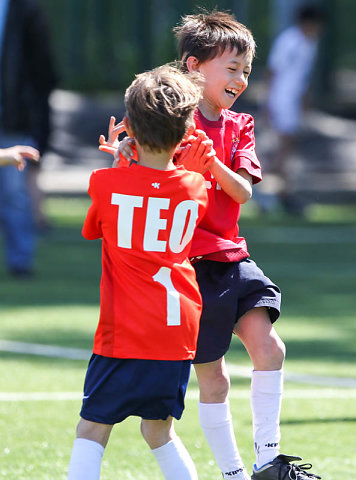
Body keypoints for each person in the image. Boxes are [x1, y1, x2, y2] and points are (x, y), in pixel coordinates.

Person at [107, 10, 322, 480]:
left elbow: (243, 191)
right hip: (186, 270)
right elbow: (140, 184)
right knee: (214, 377)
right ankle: (234, 474)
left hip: (232, 257)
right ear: (193, 67)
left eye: (246, 70)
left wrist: (212, 165)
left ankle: (269, 461)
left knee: (271, 349)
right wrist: (125, 160)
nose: (241, 79)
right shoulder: (166, 125)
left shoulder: (239, 125)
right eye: (232, 68)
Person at [67, 64, 209, 480]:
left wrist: (119, 166)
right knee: (159, 431)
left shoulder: (106, 183)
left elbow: (95, 228)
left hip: (126, 331)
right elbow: (164, 192)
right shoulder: (196, 186)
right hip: (177, 331)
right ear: (184, 132)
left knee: (92, 429)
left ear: (127, 125)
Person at [0, 0, 57, 277]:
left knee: (14, 193)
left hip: (12, 116)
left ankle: (20, 261)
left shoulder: (25, 9)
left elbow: (41, 70)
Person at [263, 5, 324, 215]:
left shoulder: (310, 43)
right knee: (283, 147)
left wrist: (305, 100)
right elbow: (272, 71)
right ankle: (269, 193)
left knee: (286, 147)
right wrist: (268, 102)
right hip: (281, 99)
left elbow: (302, 76)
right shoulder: (289, 40)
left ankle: (281, 194)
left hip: (292, 101)